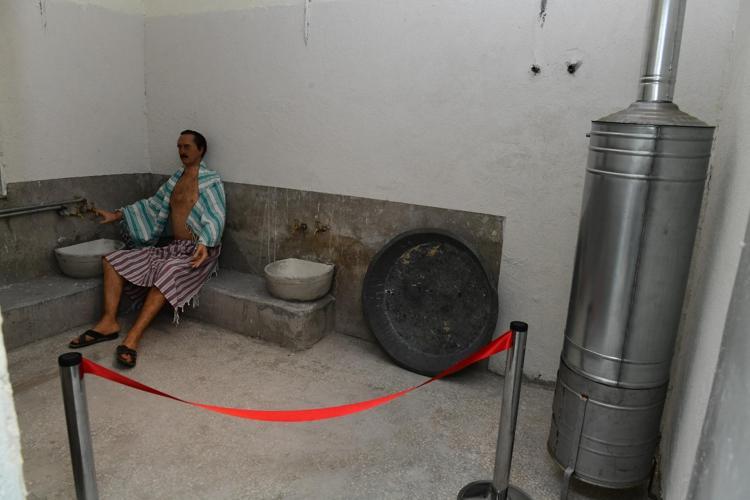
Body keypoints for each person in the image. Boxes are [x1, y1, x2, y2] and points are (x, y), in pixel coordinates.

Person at [68, 130, 226, 368]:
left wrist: (204, 243)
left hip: (198, 251)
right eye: (179, 147)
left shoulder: (211, 181)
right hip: (174, 247)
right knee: (112, 260)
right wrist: (116, 215)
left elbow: (216, 215)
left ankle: (132, 339)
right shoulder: (175, 181)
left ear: (201, 149)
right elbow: (152, 205)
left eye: (187, 147)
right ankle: (108, 322)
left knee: (167, 271)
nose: (181, 151)